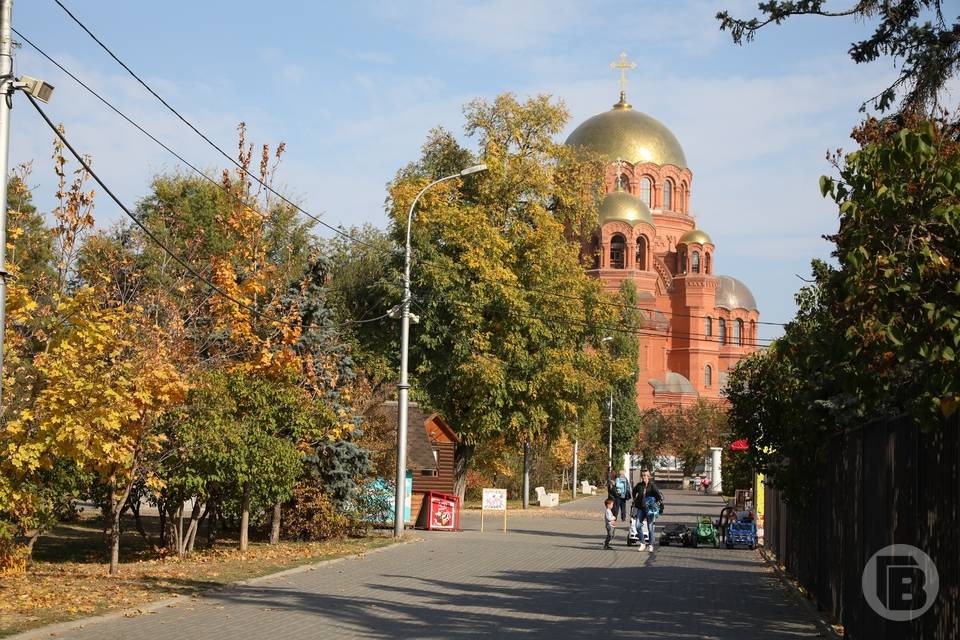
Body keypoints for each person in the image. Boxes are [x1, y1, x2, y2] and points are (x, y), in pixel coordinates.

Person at [632, 469, 665, 551]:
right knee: (637, 526)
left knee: (650, 527)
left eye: (646, 475)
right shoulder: (639, 485)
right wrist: (635, 499)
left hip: (650, 510)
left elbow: (659, 497)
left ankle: (651, 545)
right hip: (640, 508)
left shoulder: (652, 486)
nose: (644, 477)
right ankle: (642, 543)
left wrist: (655, 505)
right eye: (643, 475)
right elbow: (633, 491)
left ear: (649, 477)